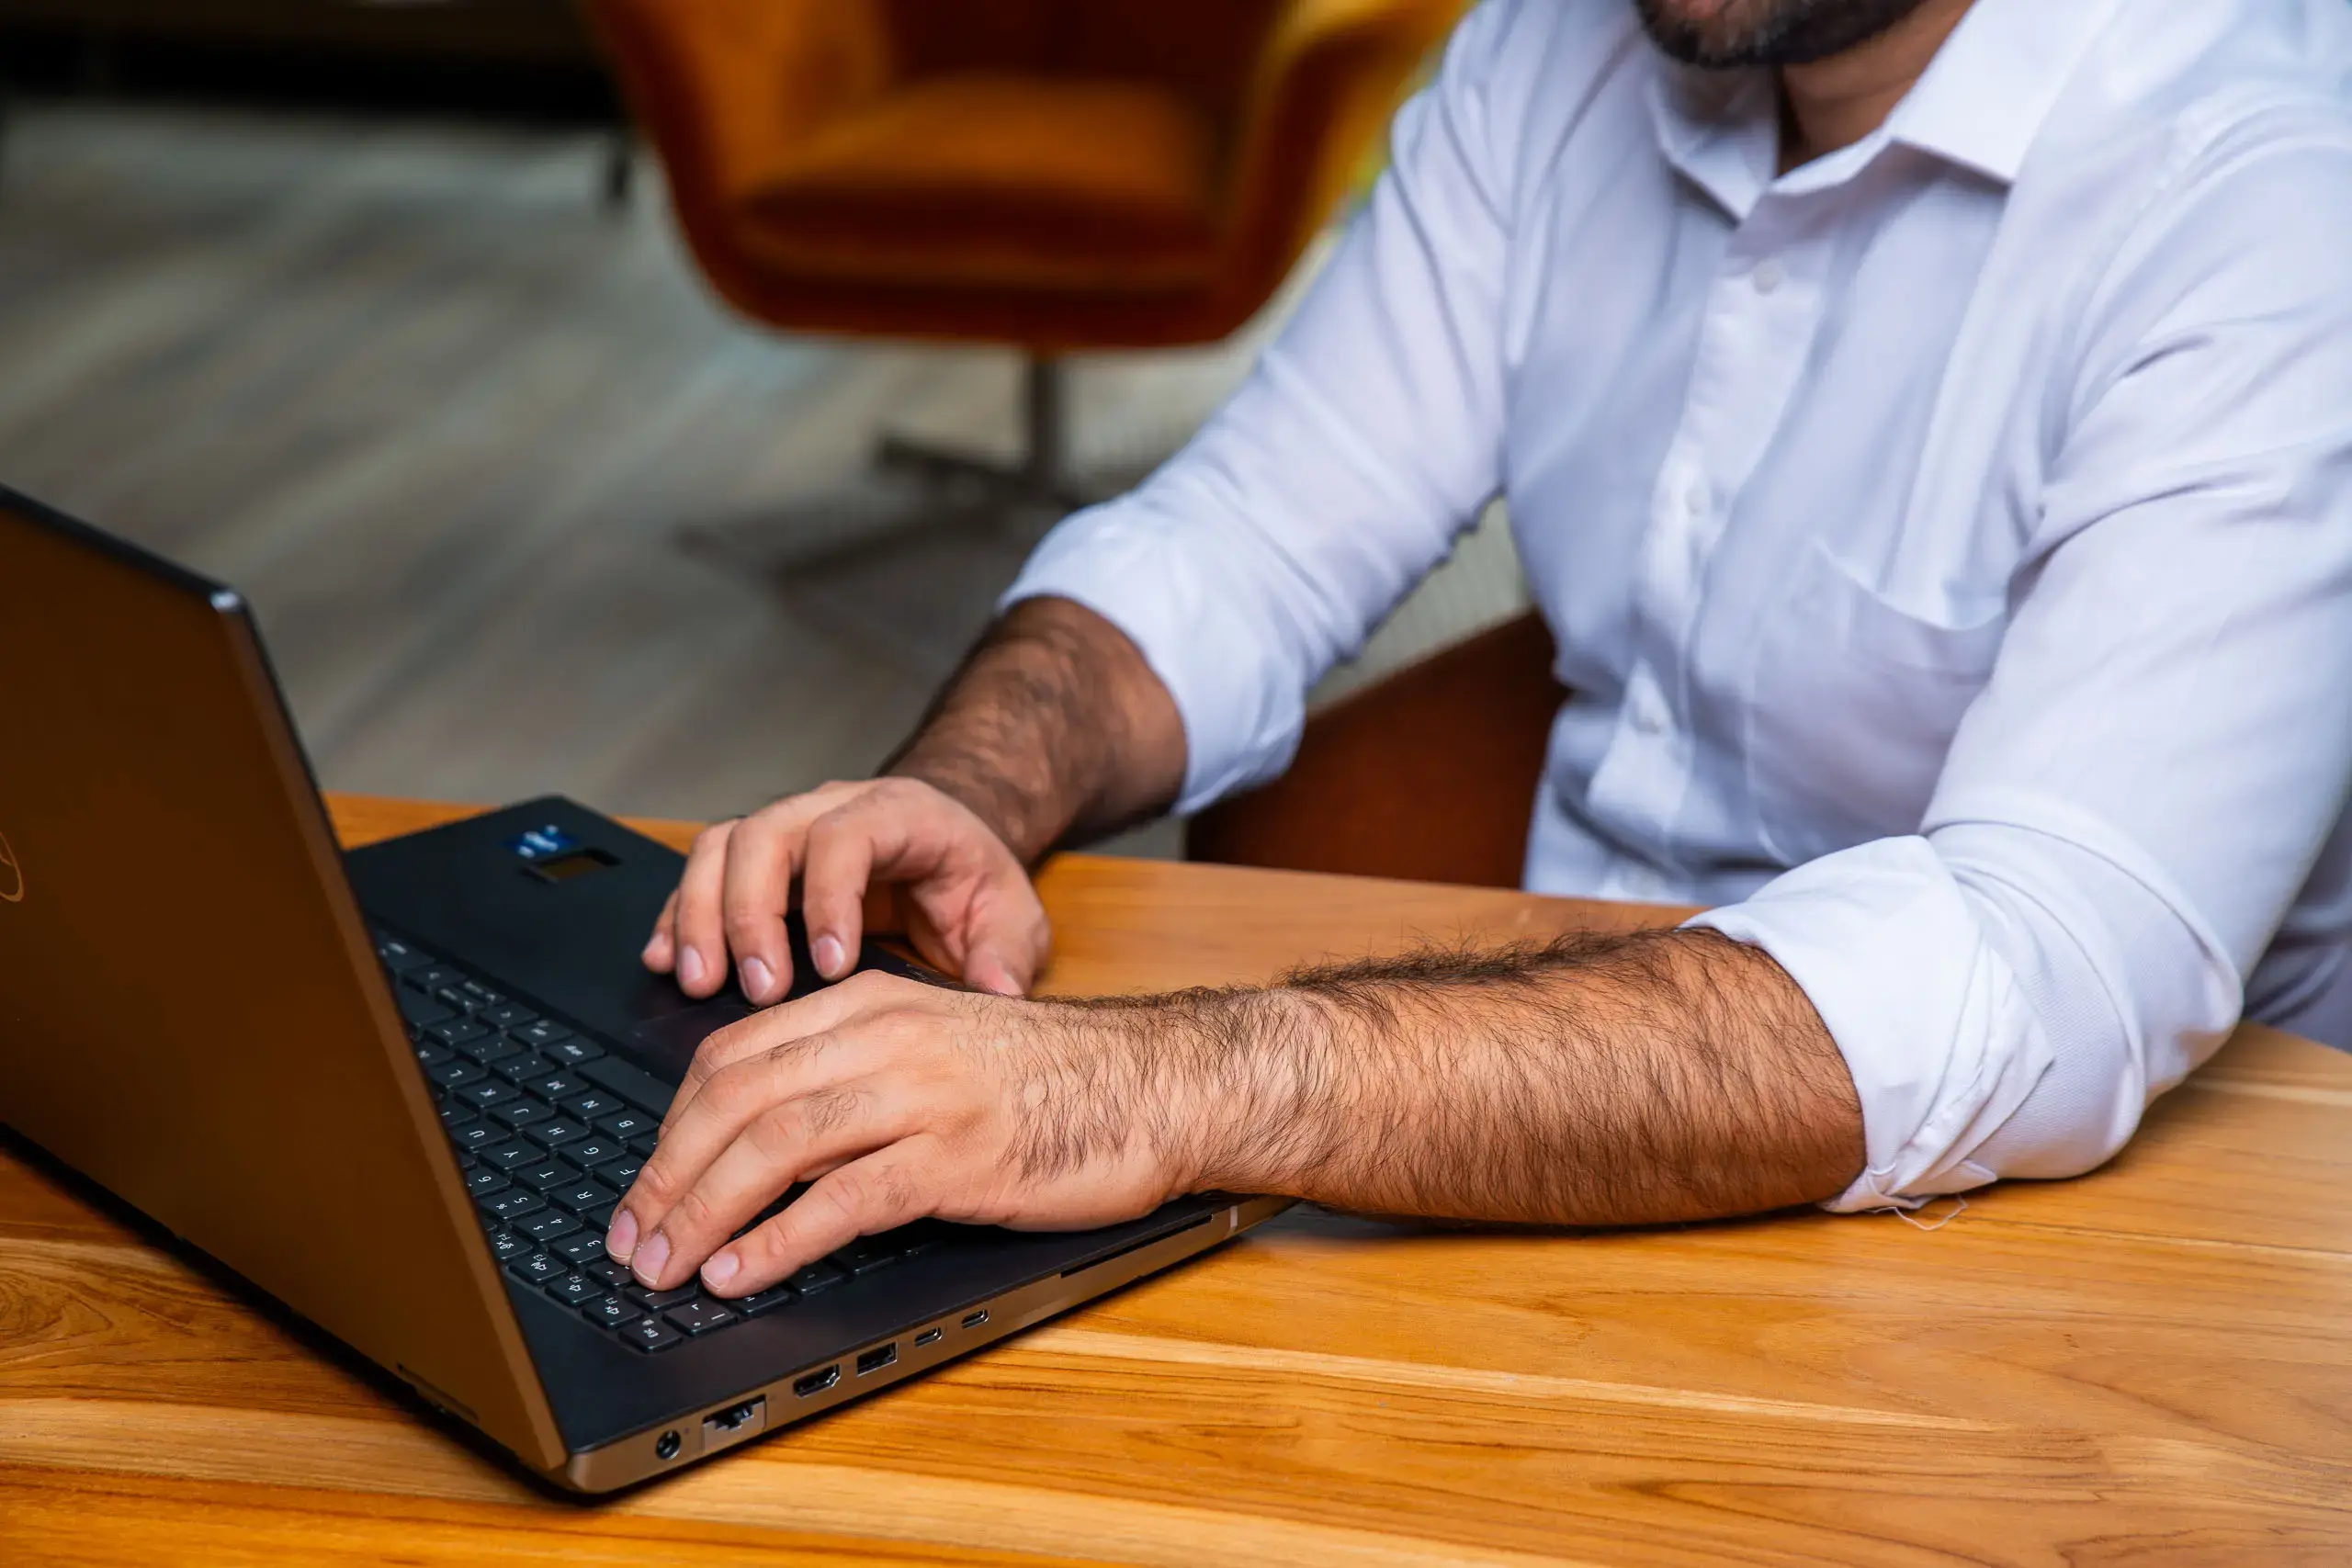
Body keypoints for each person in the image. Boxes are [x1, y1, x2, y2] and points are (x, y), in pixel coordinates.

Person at [601, 0, 2352, 1302]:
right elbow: (1252, 530)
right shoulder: (1559, 49)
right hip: (1527, 1120)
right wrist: (962, 784)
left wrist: (1169, 1079)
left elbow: (2026, 967)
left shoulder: (2271, 198)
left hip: (2090, 1240)